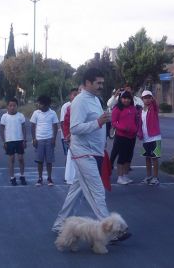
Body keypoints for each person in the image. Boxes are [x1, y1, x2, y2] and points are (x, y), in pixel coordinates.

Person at [52, 68, 131, 242]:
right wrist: (98, 122)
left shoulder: (95, 99)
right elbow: (74, 128)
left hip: (95, 152)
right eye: (98, 83)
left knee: (76, 192)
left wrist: (102, 123)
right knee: (97, 192)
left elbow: (95, 124)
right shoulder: (80, 101)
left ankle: (60, 224)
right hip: (83, 153)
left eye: (102, 83)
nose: (101, 86)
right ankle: (112, 231)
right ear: (87, 83)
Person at [111, 91, 139, 185]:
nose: (126, 100)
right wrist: (123, 128)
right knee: (122, 157)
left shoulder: (133, 108)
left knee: (128, 157)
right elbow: (114, 122)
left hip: (132, 136)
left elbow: (137, 120)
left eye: (128, 98)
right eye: (124, 98)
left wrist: (136, 129)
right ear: (121, 99)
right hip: (121, 136)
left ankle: (125, 175)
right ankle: (120, 177)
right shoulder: (117, 108)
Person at [30, 95, 59, 186]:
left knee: (49, 160)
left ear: (46, 105)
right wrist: (34, 139)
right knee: (39, 161)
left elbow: (55, 126)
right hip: (39, 139)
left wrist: (54, 139)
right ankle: (39, 178)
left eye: (40, 104)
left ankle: (49, 178)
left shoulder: (52, 113)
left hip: (49, 139)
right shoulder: (36, 113)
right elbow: (33, 126)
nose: (38, 105)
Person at [0, 98, 27, 186]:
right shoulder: (4, 117)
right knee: (11, 159)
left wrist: (24, 140)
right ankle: (12, 178)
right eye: (10, 106)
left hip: (19, 140)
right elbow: (2, 129)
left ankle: (22, 176)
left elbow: (24, 128)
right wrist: (4, 142)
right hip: (9, 140)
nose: (12, 107)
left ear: (17, 106)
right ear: (7, 106)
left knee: (21, 158)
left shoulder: (20, 116)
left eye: (14, 106)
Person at [137, 90, 161, 185]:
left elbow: (155, 103)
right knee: (147, 158)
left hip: (155, 137)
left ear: (151, 98)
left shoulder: (153, 108)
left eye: (149, 97)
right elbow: (140, 123)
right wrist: (140, 133)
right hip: (145, 138)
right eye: (145, 98)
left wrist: (153, 98)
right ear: (142, 99)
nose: (147, 99)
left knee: (154, 158)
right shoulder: (141, 110)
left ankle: (155, 178)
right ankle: (148, 176)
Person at [60, 88, 78, 158]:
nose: (76, 96)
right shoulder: (66, 106)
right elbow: (62, 122)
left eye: (78, 95)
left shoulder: (79, 105)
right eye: (74, 95)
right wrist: (66, 136)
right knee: (68, 157)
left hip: (76, 136)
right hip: (67, 137)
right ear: (70, 96)